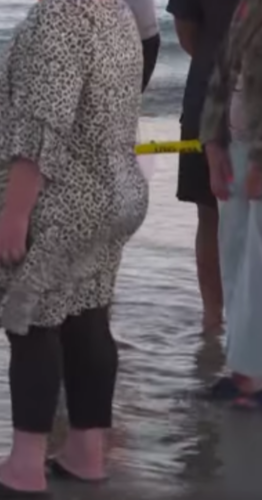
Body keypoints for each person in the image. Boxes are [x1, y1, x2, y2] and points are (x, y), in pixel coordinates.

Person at [0, 0, 147, 496]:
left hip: (61, 199)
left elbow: (46, 126)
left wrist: (16, 213)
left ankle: (24, 466)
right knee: (87, 317)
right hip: (112, 191)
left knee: (32, 323)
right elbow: (87, 102)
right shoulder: (115, 13)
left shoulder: (59, 16)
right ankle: (87, 453)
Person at [198, 0, 262, 407]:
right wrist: (212, 142)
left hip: (255, 149)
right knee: (236, 255)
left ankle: (252, 375)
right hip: (236, 143)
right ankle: (244, 370)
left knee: (258, 266)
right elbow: (223, 71)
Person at [167, 0, 240, 334]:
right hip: (211, 93)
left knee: (210, 214)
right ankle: (214, 320)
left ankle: (217, 322)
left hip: (210, 89)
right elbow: (185, 31)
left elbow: (187, 34)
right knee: (209, 211)